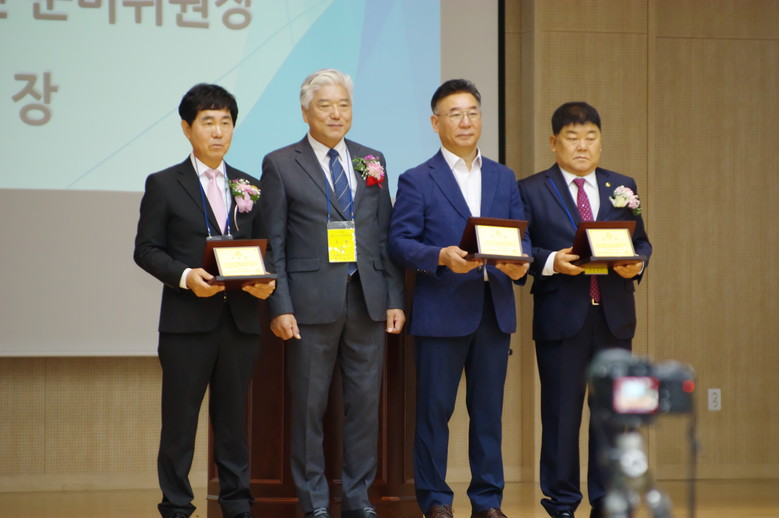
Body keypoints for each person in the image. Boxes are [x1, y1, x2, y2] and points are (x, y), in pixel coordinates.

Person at [259, 69, 405, 518]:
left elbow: (384, 235)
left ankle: (359, 500)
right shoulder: (281, 163)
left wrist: (394, 297)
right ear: (306, 112)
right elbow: (274, 243)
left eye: (343, 104)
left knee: (364, 407)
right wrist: (280, 306)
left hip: (367, 301)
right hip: (308, 306)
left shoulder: (371, 159)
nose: (336, 113)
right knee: (308, 408)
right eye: (325, 105)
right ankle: (315, 503)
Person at [388, 79, 530, 518]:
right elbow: (399, 242)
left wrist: (521, 265)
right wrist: (440, 256)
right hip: (441, 313)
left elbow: (522, 238)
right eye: (455, 114)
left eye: (472, 113)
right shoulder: (417, 179)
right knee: (434, 414)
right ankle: (436, 501)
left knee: (488, 415)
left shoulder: (504, 177)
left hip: (493, 311)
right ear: (435, 123)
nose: (465, 122)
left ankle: (487, 502)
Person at [133, 83, 275, 518]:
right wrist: (185, 276)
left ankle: (237, 504)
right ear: (186, 128)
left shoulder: (250, 185)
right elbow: (146, 250)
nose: (218, 132)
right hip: (187, 324)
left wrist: (266, 283)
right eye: (208, 122)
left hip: (240, 321)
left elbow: (267, 248)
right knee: (179, 424)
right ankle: (176, 506)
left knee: (234, 423)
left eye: (225, 123)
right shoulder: (164, 184)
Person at [517, 102, 652, 518]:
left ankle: (608, 499)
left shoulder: (622, 185)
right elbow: (521, 247)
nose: (582, 146)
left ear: (601, 142)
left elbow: (641, 242)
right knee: (561, 416)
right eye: (572, 138)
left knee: (612, 413)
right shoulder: (531, 189)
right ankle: (561, 503)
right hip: (562, 317)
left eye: (590, 137)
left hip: (614, 318)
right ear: (553, 142)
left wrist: (638, 263)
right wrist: (550, 261)